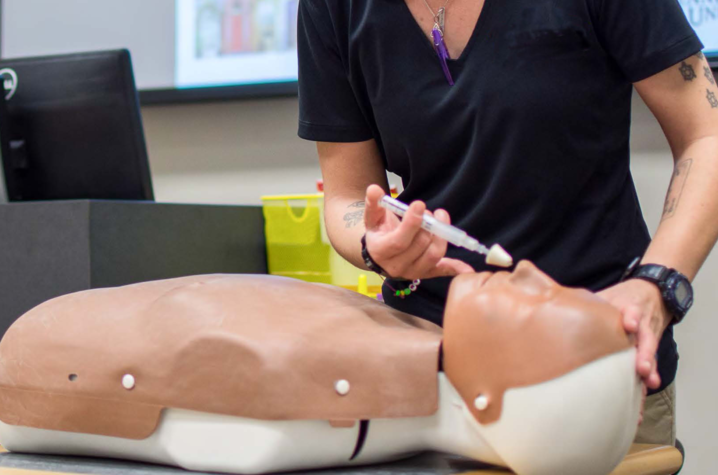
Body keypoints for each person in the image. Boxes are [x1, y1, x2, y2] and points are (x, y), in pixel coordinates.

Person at [296, 0, 718, 445]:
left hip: (597, 359)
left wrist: (657, 287)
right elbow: (346, 194)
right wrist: (373, 241)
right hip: (431, 377)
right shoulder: (332, 8)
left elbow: (706, 136)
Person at [0, 263, 641, 475]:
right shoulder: (400, 346)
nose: (530, 274)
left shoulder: (336, 386)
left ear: (492, 401)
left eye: (544, 303)